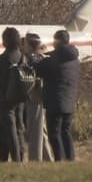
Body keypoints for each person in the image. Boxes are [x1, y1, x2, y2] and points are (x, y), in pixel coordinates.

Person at [35, 30, 80, 161]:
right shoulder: (74, 59)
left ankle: (59, 160)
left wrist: (38, 55)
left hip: (55, 101)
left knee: (54, 133)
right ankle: (70, 159)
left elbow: (38, 69)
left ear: (57, 41)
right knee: (65, 132)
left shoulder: (54, 59)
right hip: (70, 101)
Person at [0, 27, 24, 163]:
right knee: (19, 128)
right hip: (21, 98)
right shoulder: (23, 58)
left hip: (5, 100)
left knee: (10, 130)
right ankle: (17, 157)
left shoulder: (1, 59)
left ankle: (16, 161)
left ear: (4, 42)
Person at [22, 33, 53, 162]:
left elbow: (29, 78)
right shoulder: (42, 58)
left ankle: (35, 159)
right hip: (41, 97)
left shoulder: (32, 61)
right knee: (41, 130)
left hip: (34, 98)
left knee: (35, 131)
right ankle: (47, 158)